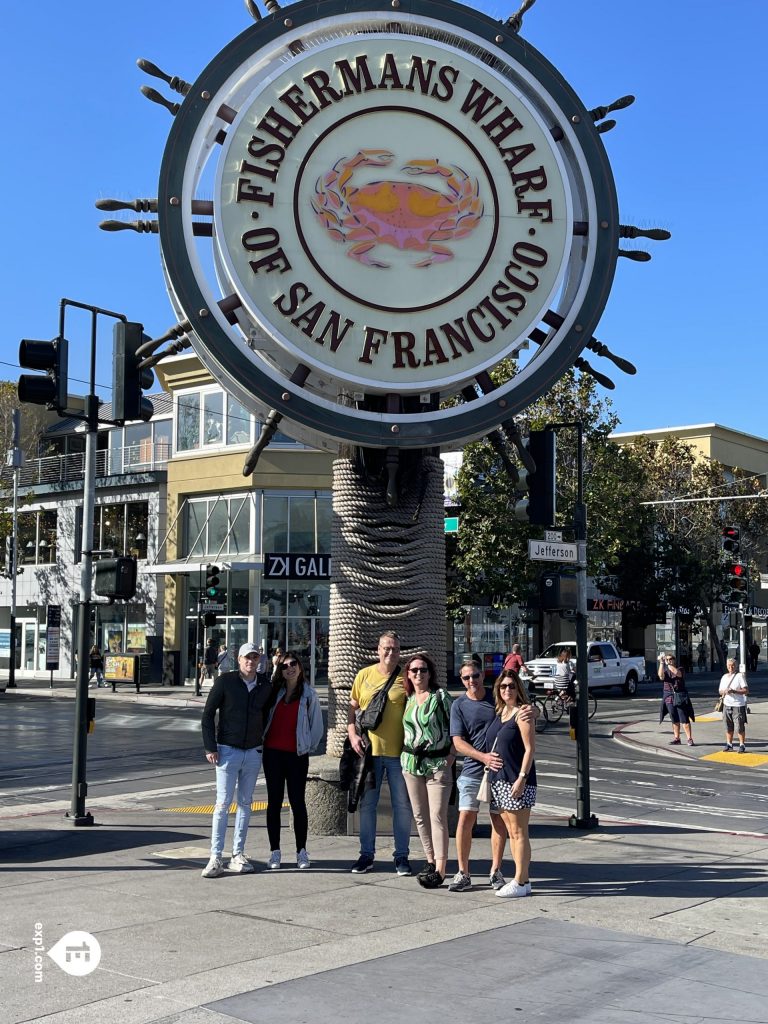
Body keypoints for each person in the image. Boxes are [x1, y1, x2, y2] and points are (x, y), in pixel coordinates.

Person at [448, 658, 535, 893]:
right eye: (466, 677)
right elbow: (457, 742)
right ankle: (463, 872)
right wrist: (482, 757)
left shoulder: (496, 700)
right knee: (465, 818)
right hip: (473, 771)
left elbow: (522, 713)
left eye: (475, 675)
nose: (471, 681)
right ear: (462, 680)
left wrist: (531, 708)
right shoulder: (459, 705)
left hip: (502, 774)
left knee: (501, 822)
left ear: (482, 676)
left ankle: (497, 871)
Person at [200, 642, 273, 878]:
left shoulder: (265, 685)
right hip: (227, 751)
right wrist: (210, 746)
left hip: (253, 752)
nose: (251, 662)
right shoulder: (226, 681)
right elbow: (208, 715)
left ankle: (238, 854)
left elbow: (270, 713)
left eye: (255, 658)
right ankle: (215, 856)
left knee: (245, 803)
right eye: (247, 658)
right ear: (238, 659)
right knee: (222, 804)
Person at [347, 630, 412, 875]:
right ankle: (366, 854)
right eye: (386, 648)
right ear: (378, 649)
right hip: (370, 753)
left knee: (402, 806)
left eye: (395, 648)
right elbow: (352, 709)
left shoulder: (406, 677)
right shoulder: (364, 675)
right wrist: (352, 734)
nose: (390, 652)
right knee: (368, 805)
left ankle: (402, 856)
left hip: (399, 754)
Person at [262, 650, 324, 869]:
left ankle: (301, 851)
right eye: (285, 665)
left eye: (293, 664)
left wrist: (307, 746)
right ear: (280, 670)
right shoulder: (274, 691)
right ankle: (275, 852)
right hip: (272, 754)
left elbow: (316, 727)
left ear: (300, 667)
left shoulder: (309, 695)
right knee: (274, 803)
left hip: (297, 755)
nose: (290, 668)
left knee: (298, 803)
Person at [399, 653, 454, 889]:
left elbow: (456, 727)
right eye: (414, 671)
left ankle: (441, 868)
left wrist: (451, 756)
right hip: (411, 764)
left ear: (430, 673)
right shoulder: (409, 698)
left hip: (437, 763)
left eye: (423, 670)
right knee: (420, 816)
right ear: (408, 675)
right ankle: (430, 860)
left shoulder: (440, 697)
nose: (418, 674)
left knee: (437, 816)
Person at [486, 668, 537, 898]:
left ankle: (520, 880)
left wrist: (522, 779)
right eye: (503, 686)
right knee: (512, 830)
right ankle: (524, 881)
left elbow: (529, 749)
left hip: (516, 780)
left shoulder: (522, 714)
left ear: (518, 689)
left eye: (512, 686)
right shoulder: (500, 713)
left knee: (518, 832)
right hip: (500, 779)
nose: (507, 690)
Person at [658, 653, 695, 746]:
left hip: (680, 697)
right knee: (674, 719)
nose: (669, 660)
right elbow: (661, 676)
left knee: (684, 719)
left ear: (674, 660)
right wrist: (661, 663)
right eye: (667, 659)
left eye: (670, 659)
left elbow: (677, 674)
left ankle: (689, 738)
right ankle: (677, 738)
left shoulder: (680, 669)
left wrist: (668, 664)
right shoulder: (665, 670)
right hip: (669, 698)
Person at [719, 657, 749, 753]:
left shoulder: (739, 676)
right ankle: (729, 744)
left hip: (738, 705)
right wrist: (724, 691)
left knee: (739, 726)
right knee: (728, 726)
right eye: (729, 666)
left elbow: (746, 690)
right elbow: (719, 691)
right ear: (727, 666)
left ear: (736, 666)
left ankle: (742, 744)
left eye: (732, 666)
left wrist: (734, 691)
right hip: (726, 704)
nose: (731, 667)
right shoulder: (724, 677)